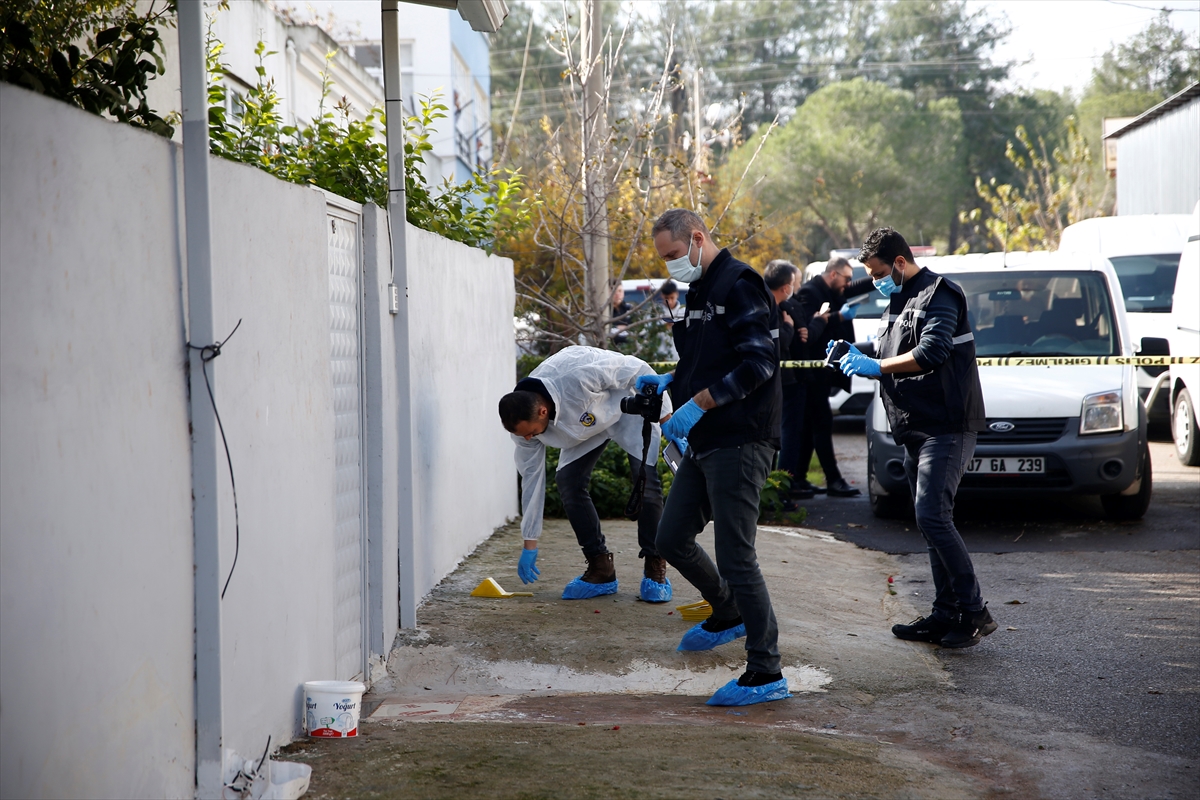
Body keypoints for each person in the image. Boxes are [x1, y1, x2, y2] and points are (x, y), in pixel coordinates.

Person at [638, 208, 790, 707]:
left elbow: (760, 364)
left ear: (697, 239)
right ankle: (728, 612)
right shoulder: (700, 289)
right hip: (706, 439)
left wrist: (697, 404)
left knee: (736, 556)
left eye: (672, 254)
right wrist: (672, 382)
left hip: (741, 437)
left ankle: (766, 670)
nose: (669, 265)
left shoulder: (739, 284)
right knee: (670, 537)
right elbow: (704, 359)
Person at [837, 227, 995, 649]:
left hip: (946, 424)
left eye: (878, 273)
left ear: (900, 262)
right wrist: (858, 355)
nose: (875, 281)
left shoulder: (940, 293)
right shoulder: (899, 298)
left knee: (932, 516)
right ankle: (945, 614)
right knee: (930, 523)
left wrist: (877, 368)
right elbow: (891, 353)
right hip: (914, 426)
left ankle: (974, 612)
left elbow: (931, 352)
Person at [498, 346, 674, 602]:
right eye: (523, 435)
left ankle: (654, 567)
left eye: (531, 432)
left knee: (645, 482)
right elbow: (532, 480)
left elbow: (638, 369)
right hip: (584, 427)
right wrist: (530, 541)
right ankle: (601, 568)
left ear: (542, 411)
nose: (528, 438)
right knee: (568, 482)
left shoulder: (578, 374)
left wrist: (666, 418)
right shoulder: (523, 428)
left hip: (627, 408)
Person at [796, 258, 873, 497]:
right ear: (833, 274)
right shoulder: (810, 293)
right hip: (813, 372)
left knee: (810, 426)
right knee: (821, 423)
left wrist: (882, 276)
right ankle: (833, 480)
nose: (848, 284)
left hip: (823, 371)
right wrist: (839, 316)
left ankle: (798, 478)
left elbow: (855, 287)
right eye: (846, 279)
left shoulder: (832, 289)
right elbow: (808, 329)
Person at [763, 260, 812, 503]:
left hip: (777, 380)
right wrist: (790, 327)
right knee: (786, 434)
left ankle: (776, 488)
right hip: (781, 380)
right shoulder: (771, 308)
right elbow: (778, 343)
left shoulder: (771, 304)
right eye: (795, 284)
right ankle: (780, 490)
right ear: (785, 287)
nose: (796, 288)